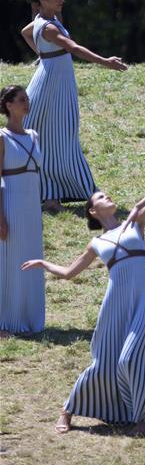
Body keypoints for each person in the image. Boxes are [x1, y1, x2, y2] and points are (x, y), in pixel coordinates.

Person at [22, 183, 145, 434]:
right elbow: (70, 272)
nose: (108, 195)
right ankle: (68, 410)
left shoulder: (135, 224)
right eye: (101, 197)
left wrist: (137, 207)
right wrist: (44, 263)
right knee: (105, 359)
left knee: (136, 357)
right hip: (117, 303)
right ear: (92, 211)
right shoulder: (96, 242)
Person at [21, 0, 127, 210]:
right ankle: (74, 193)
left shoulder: (44, 19)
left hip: (55, 81)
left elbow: (26, 32)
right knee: (59, 137)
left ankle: (51, 196)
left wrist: (42, 53)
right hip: (51, 85)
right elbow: (74, 48)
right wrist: (105, 62)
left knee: (53, 137)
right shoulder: (48, 27)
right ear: (41, 0)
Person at [0, 85, 44, 337]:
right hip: (10, 202)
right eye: (21, 99)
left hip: (30, 205)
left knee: (30, 257)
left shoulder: (34, 135)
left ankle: (29, 317)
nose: (26, 102)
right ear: (8, 105)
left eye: (27, 98)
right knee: (9, 260)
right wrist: (1, 218)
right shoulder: (2, 137)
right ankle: (5, 321)